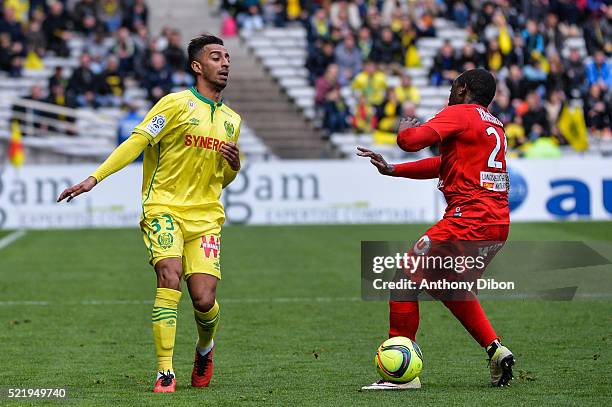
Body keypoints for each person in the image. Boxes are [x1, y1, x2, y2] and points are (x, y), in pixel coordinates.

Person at [57, 34, 242, 393]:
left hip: (205, 217)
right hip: (163, 208)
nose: (225, 63)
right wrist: (95, 178)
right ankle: (165, 371)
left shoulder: (233, 120)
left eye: (227, 57)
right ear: (197, 66)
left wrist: (235, 166)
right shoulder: (173, 105)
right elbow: (137, 141)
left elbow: (224, 178)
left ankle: (205, 349)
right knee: (169, 276)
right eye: (216, 57)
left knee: (204, 299)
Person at [357, 69, 514, 389]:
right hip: (496, 223)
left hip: (468, 218)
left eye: (454, 87)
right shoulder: (493, 124)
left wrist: (404, 128)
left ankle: (401, 376)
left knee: (405, 277)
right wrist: (393, 170)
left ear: (463, 89)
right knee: (449, 286)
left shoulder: (460, 113)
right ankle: (496, 350)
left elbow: (410, 141)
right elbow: (444, 165)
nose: (449, 93)